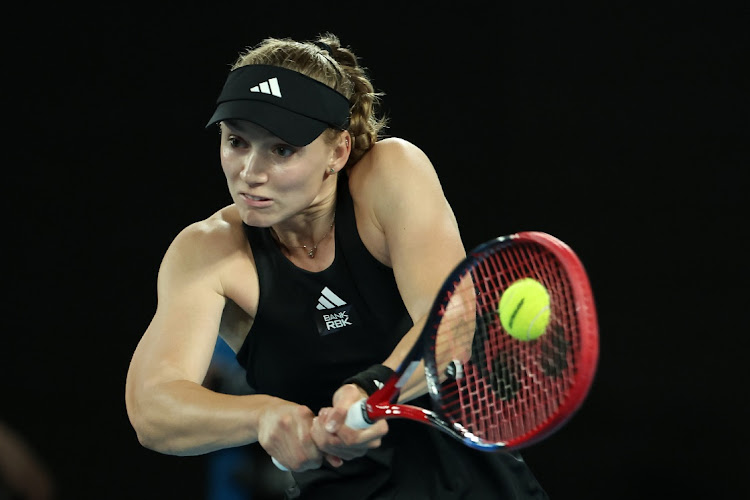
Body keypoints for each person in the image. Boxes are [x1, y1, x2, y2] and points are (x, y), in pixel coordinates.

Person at [125, 33, 549, 499]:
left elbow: (452, 324)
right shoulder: (207, 250)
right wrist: (264, 416)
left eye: (282, 149)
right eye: (236, 141)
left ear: (338, 151)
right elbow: (153, 408)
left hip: (479, 489)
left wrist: (370, 389)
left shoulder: (390, 174)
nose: (250, 171)